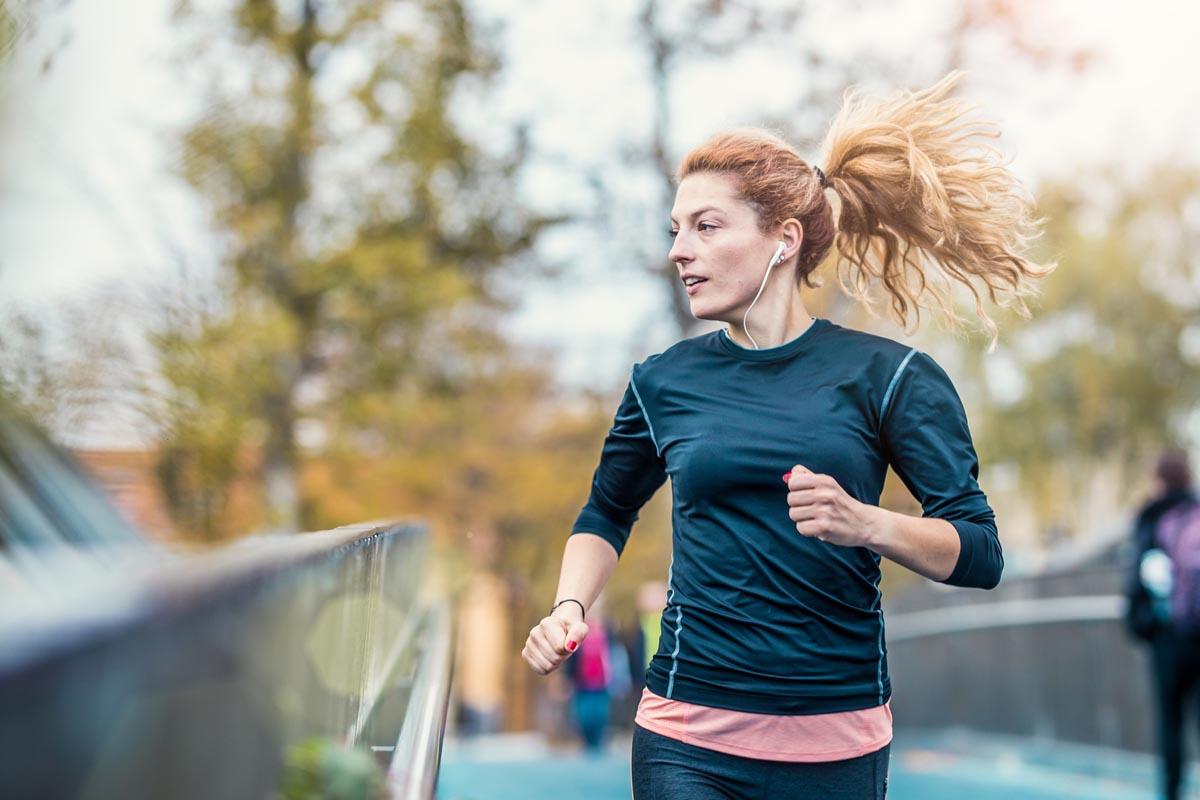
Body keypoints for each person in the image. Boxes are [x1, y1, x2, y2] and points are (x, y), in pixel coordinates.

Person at [521, 71, 1052, 799]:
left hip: (837, 744)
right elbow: (605, 514)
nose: (680, 250)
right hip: (686, 736)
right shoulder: (662, 382)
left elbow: (981, 553)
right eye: (676, 230)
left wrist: (867, 523)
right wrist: (568, 608)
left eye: (706, 227)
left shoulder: (889, 377)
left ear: (784, 240)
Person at [1126, 448, 1200, 800]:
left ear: (1159, 480)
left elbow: (1136, 580)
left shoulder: (1151, 517)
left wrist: (1140, 624)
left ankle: (1172, 793)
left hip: (1167, 637)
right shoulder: (1197, 511)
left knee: (1170, 723)